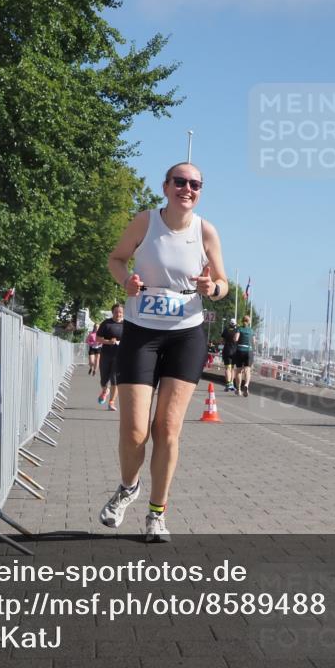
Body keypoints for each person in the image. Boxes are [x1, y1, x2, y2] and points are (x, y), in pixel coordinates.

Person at [101, 162, 228, 542]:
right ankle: (128, 487)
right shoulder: (145, 222)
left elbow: (223, 283)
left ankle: (156, 514)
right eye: (180, 182)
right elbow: (115, 258)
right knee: (135, 430)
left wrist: (212, 289)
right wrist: (128, 280)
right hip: (141, 333)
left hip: (186, 335)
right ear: (166, 186)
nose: (186, 189)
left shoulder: (206, 230)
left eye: (195, 184)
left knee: (167, 429)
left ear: (200, 191)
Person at [97, 303, 125, 410]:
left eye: (121, 312)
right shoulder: (106, 323)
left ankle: (111, 402)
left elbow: (132, 339)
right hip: (106, 354)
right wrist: (108, 341)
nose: (119, 314)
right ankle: (105, 390)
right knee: (104, 379)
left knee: (115, 380)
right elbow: (98, 339)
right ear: (113, 312)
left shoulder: (126, 325)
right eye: (116, 312)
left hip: (120, 356)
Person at [233, 314, 254, 397]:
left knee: (238, 371)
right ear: (249, 322)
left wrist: (235, 338)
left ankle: (238, 390)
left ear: (242, 321)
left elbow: (236, 339)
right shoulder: (251, 330)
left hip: (240, 350)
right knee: (247, 370)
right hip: (249, 351)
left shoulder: (239, 329)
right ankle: (246, 385)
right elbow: (253, 341)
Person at [221, 318, 238, 392]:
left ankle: (228, 384)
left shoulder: (226, 330)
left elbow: (222, 340)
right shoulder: (237, 330)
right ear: (235, 324)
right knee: (233, 368)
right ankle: (231, 383)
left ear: (229, 324)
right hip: (234, 351)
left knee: (227, 368)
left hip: (227, 350)